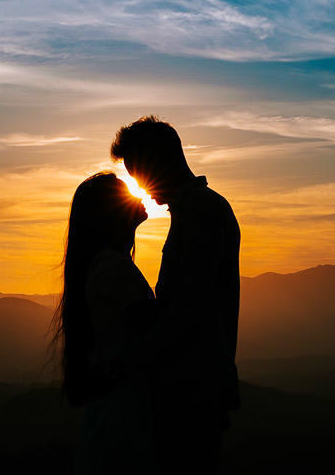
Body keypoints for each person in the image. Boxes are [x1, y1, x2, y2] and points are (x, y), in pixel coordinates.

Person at [111, 115, 241, 473]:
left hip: (191, 394)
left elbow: (188, 311)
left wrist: (126, 362)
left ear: (159, 161)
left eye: (138, 172)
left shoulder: (203, 212)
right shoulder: (194, 212)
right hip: (189, 389)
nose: (140, 185)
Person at [53, 172, 158, 474]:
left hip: (113, 417)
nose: (137, 196)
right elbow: (157, 334)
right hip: (124, 422)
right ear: (109, 214)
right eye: (125, 194)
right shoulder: (113, 267)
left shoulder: (105, 265)